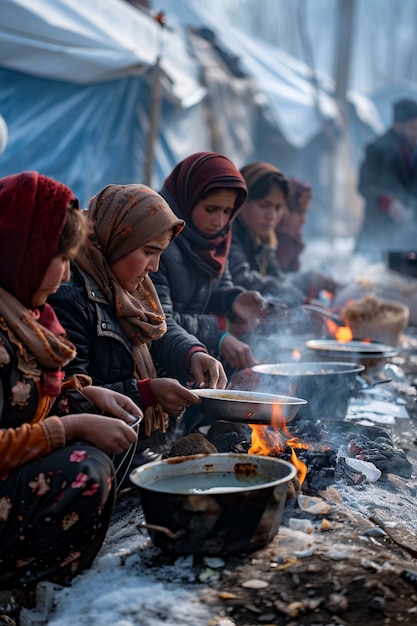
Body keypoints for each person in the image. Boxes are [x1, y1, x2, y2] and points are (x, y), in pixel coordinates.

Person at [0, 172, 142, 599]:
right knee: (86, 471)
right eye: (58, 258)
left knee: (113, 420)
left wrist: (82, 392)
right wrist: (72, 427)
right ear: (18, 251)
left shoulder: (27, 316)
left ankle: (57, 583)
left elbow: (30, 393)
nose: (65, 276)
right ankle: (18, 587)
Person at [49, 183, 226, 458]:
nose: (154, 266)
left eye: (160, 254)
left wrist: (192, 353)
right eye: (148, 251)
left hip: (138, 442)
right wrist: (144, 393)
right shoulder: (69, 296)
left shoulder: (133, 287)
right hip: (98, 451)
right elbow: (70, 390)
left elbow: (159, 329)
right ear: (116, 238)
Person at [152, 151, 270, 376]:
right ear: (186, 198)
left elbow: (216, 287)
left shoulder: (216, 241)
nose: (220, 221)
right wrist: (219, 333)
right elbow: (158, 320)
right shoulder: (157, 244)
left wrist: (233, 300)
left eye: (228, 211)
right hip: (163, 368)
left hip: (193, 364)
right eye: (210, 209)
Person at [229, 163, 339, 306]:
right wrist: (301, 301)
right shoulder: (228, 236)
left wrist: (306, 291)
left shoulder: (263, 239)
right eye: (264, 206)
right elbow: (244, 281)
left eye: (278, 208)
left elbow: (277, 279)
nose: (272, 216)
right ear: (241, 201)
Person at [355, 98, 417, 262]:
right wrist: (388, 202)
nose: (415, 133)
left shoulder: (414, 151)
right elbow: (365, 185)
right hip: (378, 230)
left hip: (408, 234)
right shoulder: (378, 149)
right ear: (397, 125)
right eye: (412, 128)